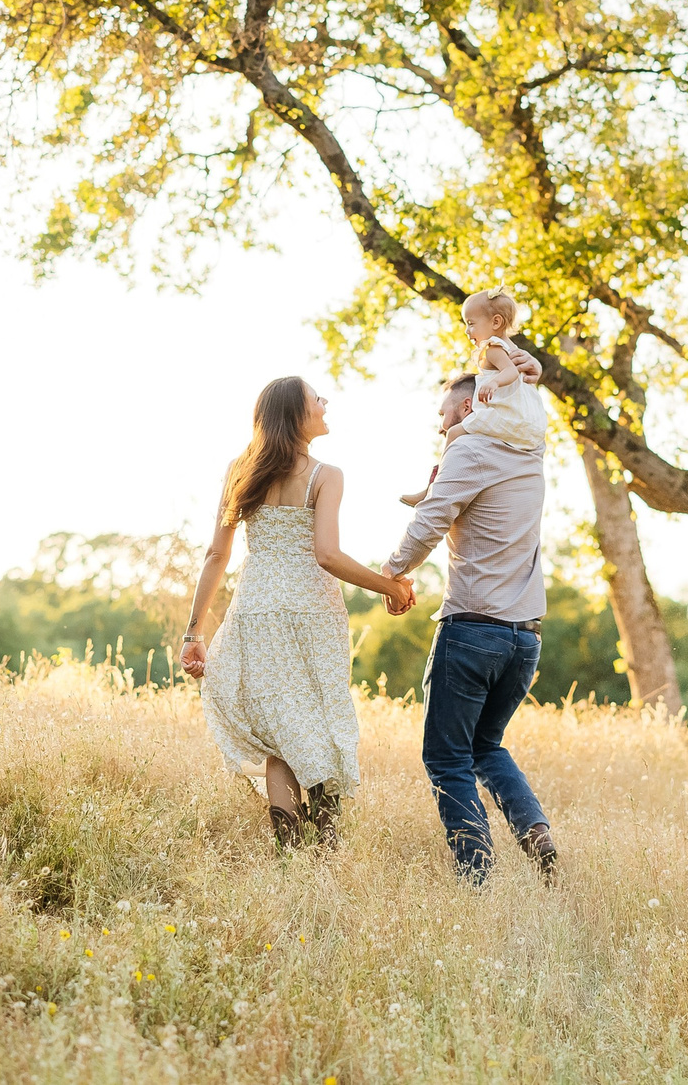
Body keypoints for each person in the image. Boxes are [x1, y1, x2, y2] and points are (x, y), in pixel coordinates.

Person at [179, 376, 416, 848]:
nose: (325, 403)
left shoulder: (239, 469)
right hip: (310, 613)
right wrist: (389, 586)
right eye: (316, 399)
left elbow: (216, 556)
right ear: (295, 414)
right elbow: (326, 555)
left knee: (281, 730)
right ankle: (324, 849)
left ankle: (291, 852)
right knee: (320, 721)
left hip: (256, 611)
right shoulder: (325, 474)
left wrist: (193, 632)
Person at [385, 371, 559, 883]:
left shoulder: (472, 450)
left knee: (446, 757)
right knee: (487, 745)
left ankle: (476, 875)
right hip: (525, 637)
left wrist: (392, 573)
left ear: (467, 410)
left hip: (472, 630)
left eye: (444, 417)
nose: (441, 428)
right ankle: (533, 828)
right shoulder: (529, 457)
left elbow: (432, 521)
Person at [398, 287, 545, 507]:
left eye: (471, 323)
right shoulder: (513, 348)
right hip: (527, 423)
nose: (467, 330)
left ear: (495, 323)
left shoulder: (493, 348)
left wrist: (494, 381)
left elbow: (511, 373)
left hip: (506, 416)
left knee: (454, 433)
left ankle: (434, 486)